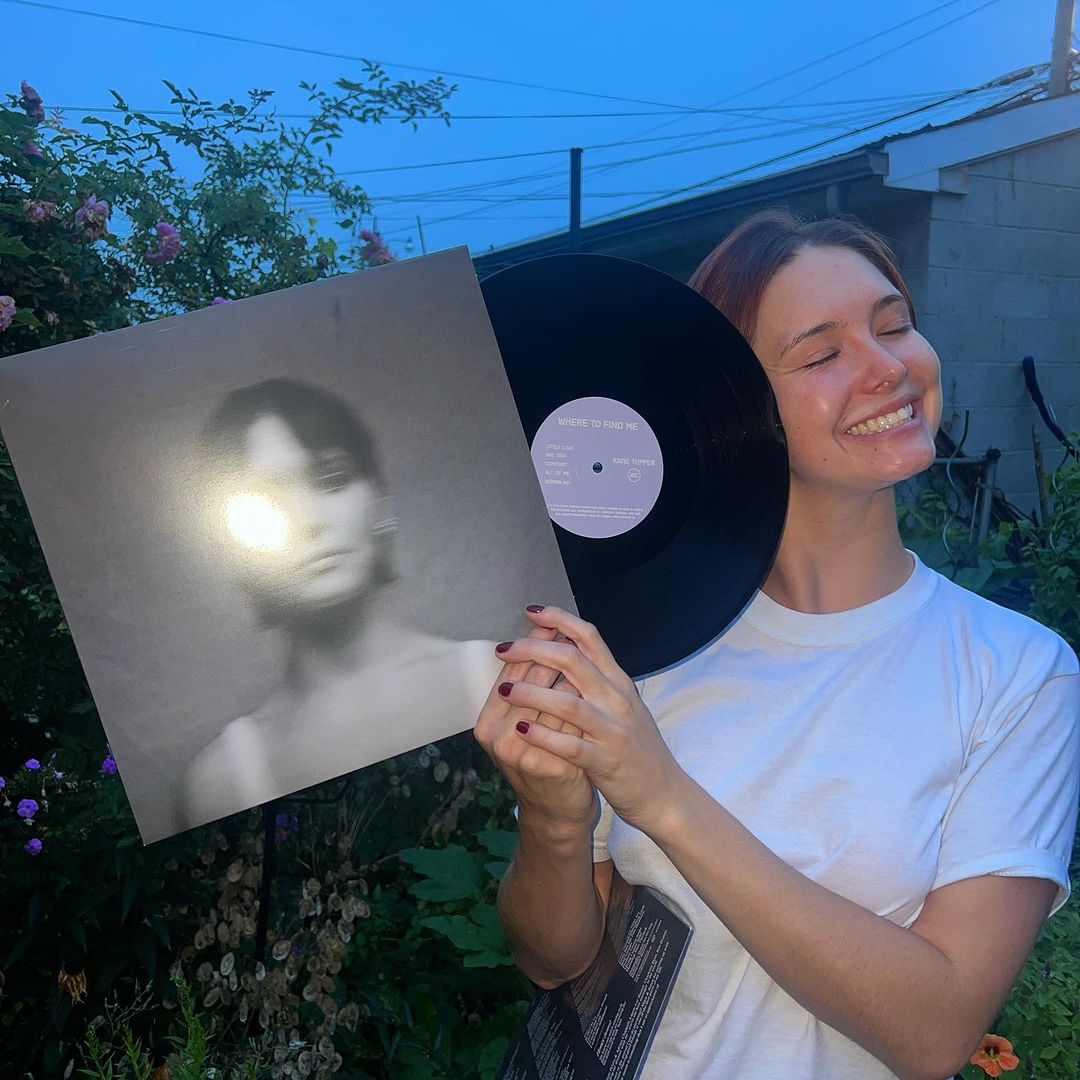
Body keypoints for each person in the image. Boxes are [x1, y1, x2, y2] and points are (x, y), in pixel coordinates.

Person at [475, 210, 1080, 1080]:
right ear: (733, 397)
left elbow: (935, 1031)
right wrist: (556, 821)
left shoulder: (1016, 673)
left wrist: (664, 795)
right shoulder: (639, 648)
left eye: (894, 324)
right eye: (823, 353)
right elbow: (554, 960)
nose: (887, 369)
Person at [181, 377, 498, 829]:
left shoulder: (500, 678)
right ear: (235, 546)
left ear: (381, 506)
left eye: (331, 480)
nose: (308, 522)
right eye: (266, 503)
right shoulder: (219, 782)